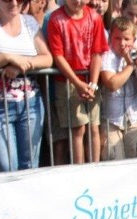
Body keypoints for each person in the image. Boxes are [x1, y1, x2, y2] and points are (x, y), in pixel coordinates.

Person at [0, 0, 53, 172]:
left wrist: (22, 64)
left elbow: (47, 58)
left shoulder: (29, 22)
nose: (14, 3)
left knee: (30, 165)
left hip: (30, 104)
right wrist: (7, 57)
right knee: (7, 167)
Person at [47, 0, 108, 164]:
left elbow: (97, 53)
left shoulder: (94, 17)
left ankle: (94, 167)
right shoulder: (56, 19)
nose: (78, 1)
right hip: (67, 82)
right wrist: (77, 83)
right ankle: (79, 169)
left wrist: (93, 84)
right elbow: (58, 56)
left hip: (89, 80)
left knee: (94, 127)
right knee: (78, 129)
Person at [100, 16, 137, 159]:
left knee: (134, 165)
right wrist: (130, 65)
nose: (122, 43)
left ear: (134, 39)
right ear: (110, 37)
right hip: (111, 122)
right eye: (117, 38)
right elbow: (112, 84)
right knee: (114, 163)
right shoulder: (107, 56)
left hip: (133, 120)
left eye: (126, 39)